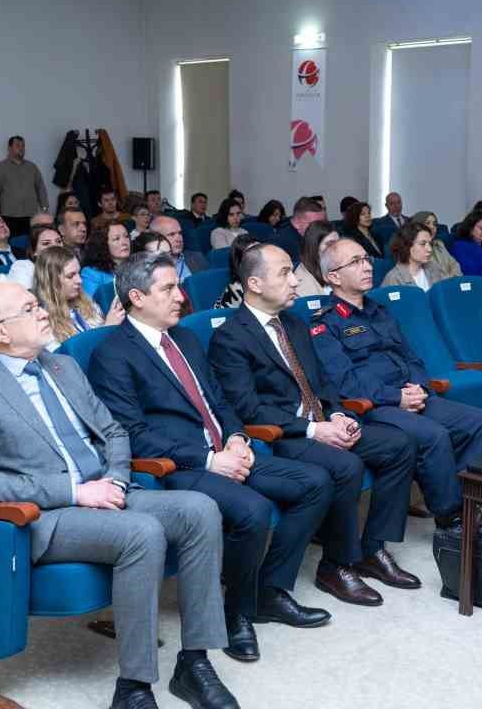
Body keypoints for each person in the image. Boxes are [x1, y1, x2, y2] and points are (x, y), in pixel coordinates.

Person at [0, 278, 238, 709]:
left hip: (108, 490)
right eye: (29, 308)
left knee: (200, 510)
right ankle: (133, 690)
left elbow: (113, 431)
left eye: (38, 304)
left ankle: (195, 661)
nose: (44, 312)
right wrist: (76, 491)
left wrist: (116, 480)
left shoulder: (62, 366)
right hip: (48, 514)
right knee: (143, 533)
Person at [89, 251, 335, 664]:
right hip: (177, 467)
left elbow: (218, 400)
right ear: (137, 297)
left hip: (225, 450)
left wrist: (236, 437)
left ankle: (268, 590)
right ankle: (235, 613)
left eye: (179, 287)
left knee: (315, 483)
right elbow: (133, 435)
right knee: (253, 511)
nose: (181, 297)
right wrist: (208, 460)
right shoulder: (112, 354)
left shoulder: (184, 338)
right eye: (168, 289)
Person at [208, 242, 420, 600]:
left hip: (320, 421)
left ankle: (372, 549)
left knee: (399, 444)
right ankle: (336, 565)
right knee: (346, 465)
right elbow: (248, 409)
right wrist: (313, 428)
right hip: (281, 435)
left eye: (293, 272)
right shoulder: (230, 337)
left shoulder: (293, 323)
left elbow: (321, 382)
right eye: (284, 274)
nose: (295, 281)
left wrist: (338, 414)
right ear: (255, 284)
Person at [308, 238, 482, 535]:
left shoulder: (379, 310)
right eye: (355, 262)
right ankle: (451, 519)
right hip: (374, 406)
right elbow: (346, 381)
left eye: (367, 259)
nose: (366, 266)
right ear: (334, 277)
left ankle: (472, 507)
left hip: (410, 395)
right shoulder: (325, 323)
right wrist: (397, 397)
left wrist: (420, 388)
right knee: (433, 435)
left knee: (478, 422)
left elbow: (410, 357)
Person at [34, 244, 122, 352]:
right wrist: (107, 328)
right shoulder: (43, 321)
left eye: (78, 273)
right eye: (70, 276)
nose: (79, 280)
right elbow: (70, 358)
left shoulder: (88, 303)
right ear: (51, 282)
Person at [0, 135, 51, 235]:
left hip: (31, 215)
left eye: (23, 146)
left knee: (31, 240)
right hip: (9, 216)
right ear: (9, 148)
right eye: (17, 146)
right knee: (13, 241)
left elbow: (40, 188)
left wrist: (45, 208)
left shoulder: (32, 167)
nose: (21, 148)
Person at [382, 220, 452, 291]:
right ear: (406, 245)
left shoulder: (434, 267)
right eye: (422, 244)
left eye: (430, 244)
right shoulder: (393, 278)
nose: (430, 249)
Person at [79, 220, 131, 302]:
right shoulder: (90, 273)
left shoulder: (136, 266)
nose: (124, 242)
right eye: (116, 239)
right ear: (103, 244)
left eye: (126, 236)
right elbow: (91, 305)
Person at [409, 211, 463, 281]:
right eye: (427, 223)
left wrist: (454, 279)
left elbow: (454, 265)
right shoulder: (415, 249)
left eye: (434, 224)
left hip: (451, 283)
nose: (432, 227)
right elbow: (429, 275)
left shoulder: (439, 244)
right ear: (417, 226)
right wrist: (450, 280)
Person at [294, 221, 340, 299]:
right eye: (330, 244)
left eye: (338, 243)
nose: (337, 248)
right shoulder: (301, 282)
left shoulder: (338, 267)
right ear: (314, 247)